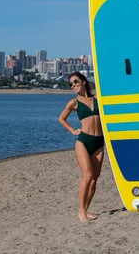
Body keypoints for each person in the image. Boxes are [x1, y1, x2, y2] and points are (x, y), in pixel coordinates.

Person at [58, 72, 104, 221]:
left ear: (83, 81)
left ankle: (86, 209)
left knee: (94, 179)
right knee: (88, 175)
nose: (73, 85)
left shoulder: (97, 99)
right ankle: (81, 211)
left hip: (99, 142)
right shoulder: (74, 103)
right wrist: (73, 130)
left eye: (76, 81)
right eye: (71, 84)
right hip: (83, 142)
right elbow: (61, 118)